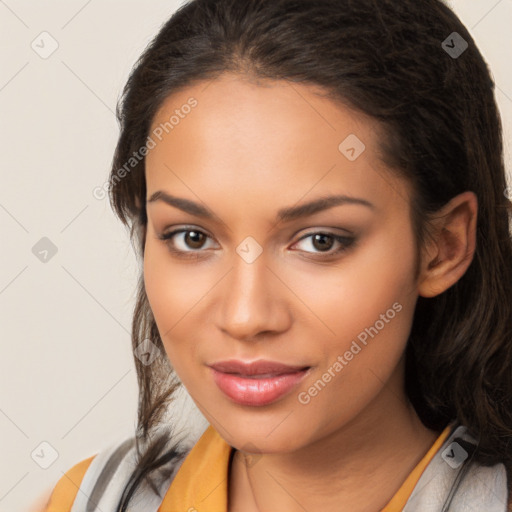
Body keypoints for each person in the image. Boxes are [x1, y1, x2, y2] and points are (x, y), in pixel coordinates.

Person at [42, 0, 512, 510]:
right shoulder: (85, 499)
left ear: (443, 247)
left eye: (320, 241)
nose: (245, 317)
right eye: (192, 238)